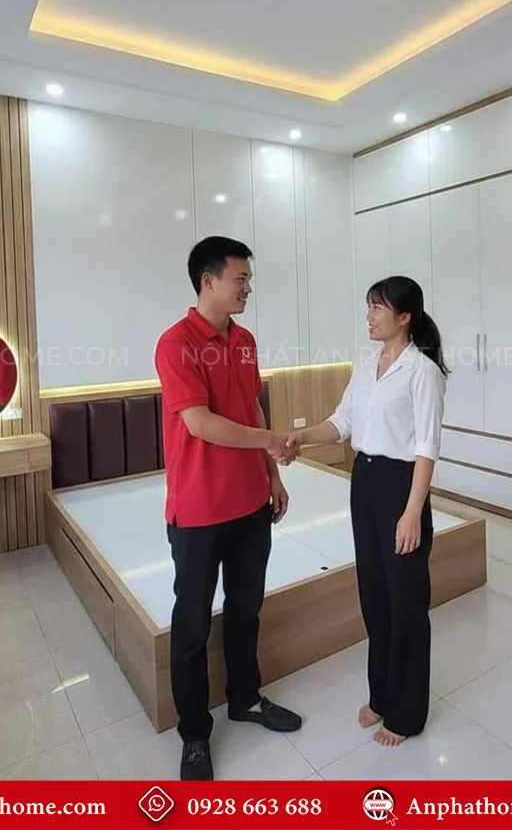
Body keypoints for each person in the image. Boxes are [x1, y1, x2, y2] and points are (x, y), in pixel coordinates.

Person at [154, 235, 303, 781]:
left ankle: (245, 698)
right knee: (191, 624)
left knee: (245, 610)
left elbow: (250, 407)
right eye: (240, 278)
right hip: (198, 511)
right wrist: (272, 441)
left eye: (248, 279)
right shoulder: (176, 344)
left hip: (250, 506)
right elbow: (201, 423)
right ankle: (194, 734)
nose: (247, 288)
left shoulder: (244, 340)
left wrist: (272, 475)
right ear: (208, 280)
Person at [290, 275, 447, 747]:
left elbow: (426, 447)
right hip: (365, 482)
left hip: (402, 486)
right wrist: (299, 438)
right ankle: (381, 695)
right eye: (368, 306)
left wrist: (413, 511)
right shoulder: (365, 364)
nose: (369, 315)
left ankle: (406, 714)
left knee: (406, 603)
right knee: (375, 597)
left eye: (378, 307)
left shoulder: (422, 371)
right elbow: (342, 422)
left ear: (405, 317)